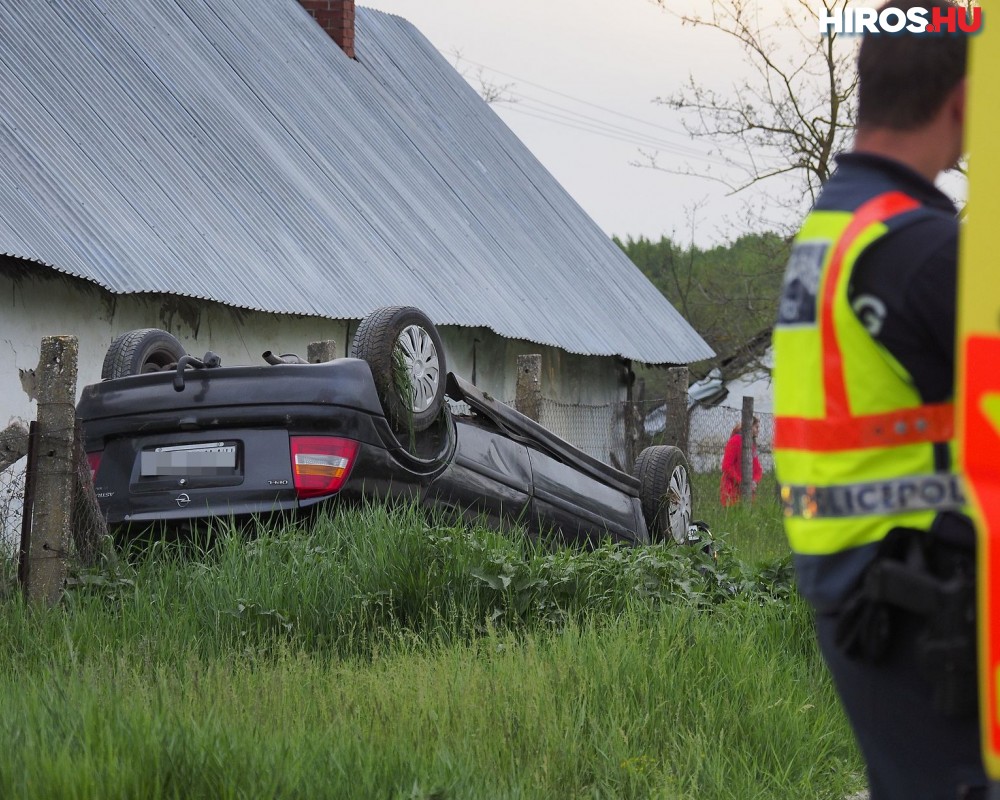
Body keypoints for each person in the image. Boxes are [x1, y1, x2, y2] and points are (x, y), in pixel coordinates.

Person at [772, 2, 986, 798]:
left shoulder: (840, 226)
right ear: (963, 99)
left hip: (865, 594)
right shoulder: (919, 250)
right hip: (924, 600)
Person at [719, 417, 762, 506]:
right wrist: (742, 482)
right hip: (732, 491)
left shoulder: (751, 445)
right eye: (756, 427)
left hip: (747, 491)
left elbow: (758, 468)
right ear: (749, 427)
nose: (758, 430)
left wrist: (754, 481)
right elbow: (726, 466)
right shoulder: (735, 441)